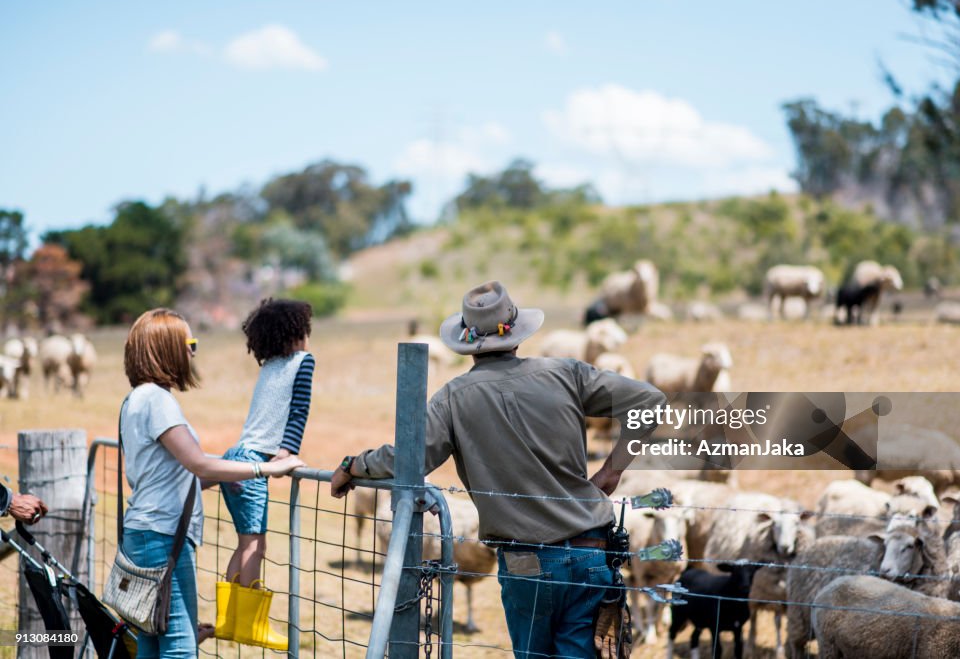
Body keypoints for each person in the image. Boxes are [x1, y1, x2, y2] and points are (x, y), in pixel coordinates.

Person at [330, 281, 666, 658]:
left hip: (526, 563)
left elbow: (406, 458)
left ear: (466, 341)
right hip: (591, 551)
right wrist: (611, 471)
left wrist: (354, 464)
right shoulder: (566, 374)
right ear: (517, 333)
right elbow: (651, 400)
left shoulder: (454, 398)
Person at [120, 308, 304, 659]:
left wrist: (226, 474)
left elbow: (178, 475)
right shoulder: (158, 401)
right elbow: (196, 462)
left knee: (151, 641)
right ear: (167, 346)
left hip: (144, 533)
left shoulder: (136, 399)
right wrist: (263, 471)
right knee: (179, 646)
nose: (193, 351)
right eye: (190, 342)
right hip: (163, 538)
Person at [216, 298, 315, 649]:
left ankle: (229, 622)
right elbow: (299, 410)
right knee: (256, 543)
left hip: (236, 457)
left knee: (244, 542)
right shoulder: (303, 362)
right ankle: (251, 625)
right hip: (255, 461)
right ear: (295, 334)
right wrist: (286, 454)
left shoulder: (269, 365)